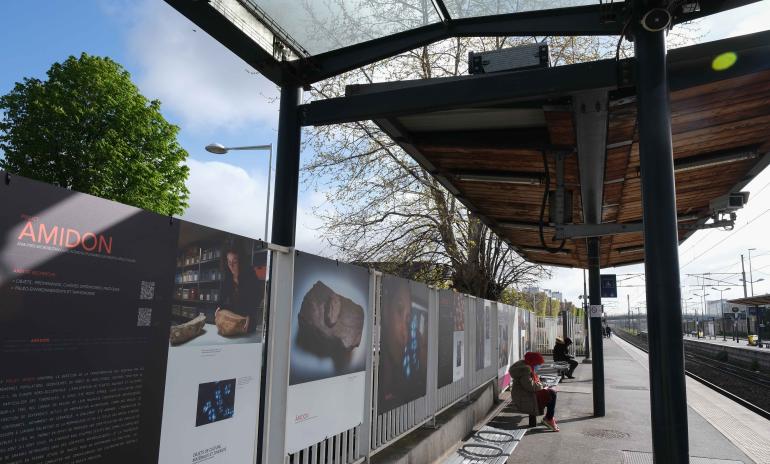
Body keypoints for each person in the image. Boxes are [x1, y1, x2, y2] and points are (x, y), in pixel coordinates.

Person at [509, 351, 559, 432]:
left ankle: (549, 418)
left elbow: (532, 384)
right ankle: (549, 419)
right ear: (533, 362)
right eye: (538, 364)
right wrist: (543, 386)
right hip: (524, 397)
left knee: (551, 392)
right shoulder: (525, 370)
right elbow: (531, 387)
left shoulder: (526, 367)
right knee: (551, 394)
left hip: (526, 394)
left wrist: (542, 385)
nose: (539, 366)